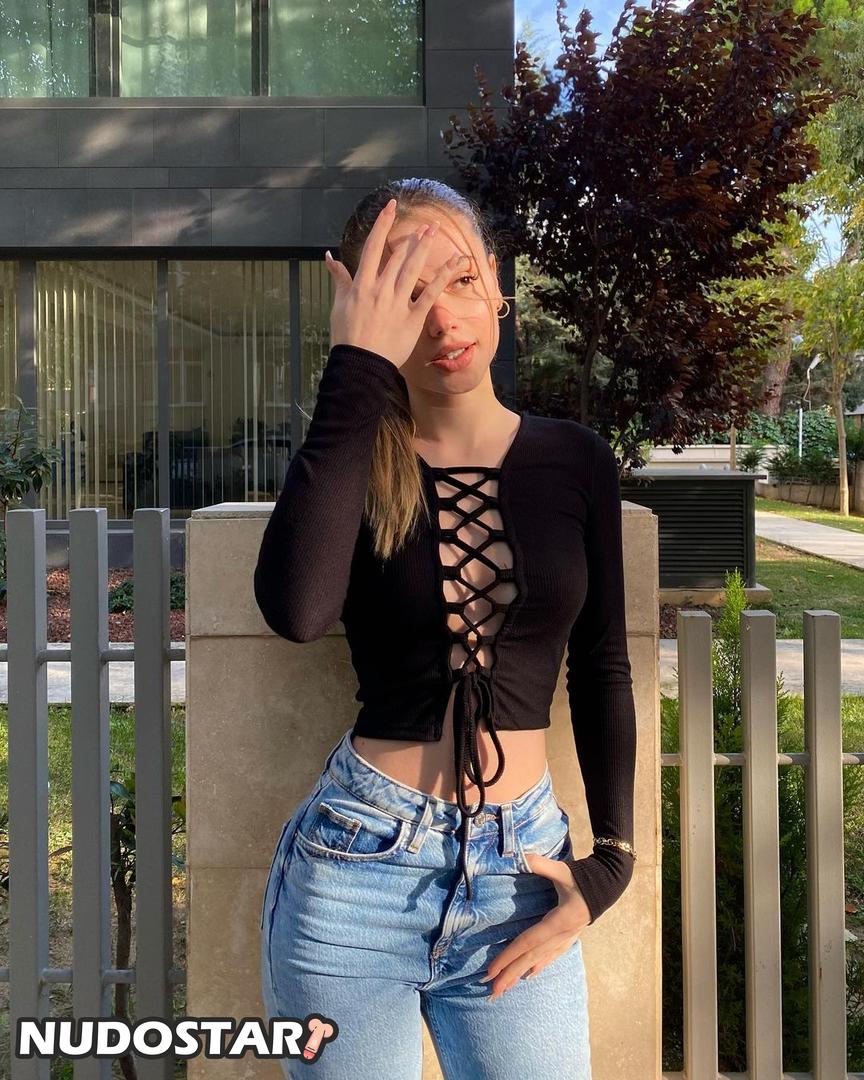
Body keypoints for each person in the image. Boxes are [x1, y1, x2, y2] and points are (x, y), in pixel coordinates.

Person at [254, 178, 637, 1079]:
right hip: (356, 873)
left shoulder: (576, 460)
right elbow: (297, 611)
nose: (443, 318)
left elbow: (603, 664)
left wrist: (612, 861)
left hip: (520, 876)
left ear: (497, 281)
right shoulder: (355, 460)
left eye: (461, 279)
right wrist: (356, 365)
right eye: (407, 293)